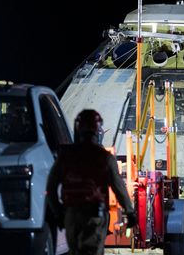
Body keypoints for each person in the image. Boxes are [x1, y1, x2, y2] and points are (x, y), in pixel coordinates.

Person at [46, 109, 137, 255]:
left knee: (74, 251)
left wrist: (58, 213)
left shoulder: (66, 156)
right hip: (94, 216)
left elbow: (50, 188)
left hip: (71, 214)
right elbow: (118, 187)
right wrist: (130, 212)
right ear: (98, 130)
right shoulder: (104, 157)